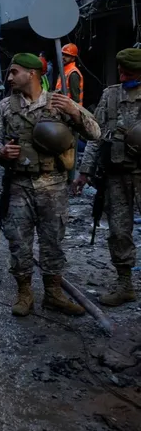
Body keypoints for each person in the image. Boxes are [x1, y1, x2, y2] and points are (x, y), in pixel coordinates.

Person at [0, 53, 100, 317]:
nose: (9, 77)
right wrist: (1, 151)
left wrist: (74, 112)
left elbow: (95, 133)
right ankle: (24, 293)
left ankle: (54, 294)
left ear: (32, 74)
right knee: (19, 242)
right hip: (18, 185)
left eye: (14, 72)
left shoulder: (59, 103)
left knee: (53, 241)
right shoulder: (5, 106)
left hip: (53, 185)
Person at [73, 47, 141, 306]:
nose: (123, 77)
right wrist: (84, 172)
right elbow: (95, 137)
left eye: (129, 74)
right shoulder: (110, 95)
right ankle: (125, 284)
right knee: (119, 231)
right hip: (116, 175)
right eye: (121, 72)